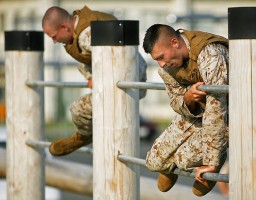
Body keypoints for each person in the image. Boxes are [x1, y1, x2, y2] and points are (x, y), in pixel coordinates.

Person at [42, 6, 147, 156]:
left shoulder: (86, 36)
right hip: (133, 76)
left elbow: (110, 59)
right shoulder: (81, 28)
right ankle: (92, 136)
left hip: (127, 80)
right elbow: (84, 57)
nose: (53, 41)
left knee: (78, 109)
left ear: (64, 27)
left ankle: (83, 137)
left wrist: (96, 77)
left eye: (54, 36)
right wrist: (90, 76)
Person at [142, 24, 229, 197]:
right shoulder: (167, 66)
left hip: (230, 114)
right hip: (198, 113)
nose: (161, 64)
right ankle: (168, 166)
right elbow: (175, 102)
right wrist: (188, 98)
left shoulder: (211, 54)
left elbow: (217, 108)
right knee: (153, 162)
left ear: (175, 42)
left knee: (184, 159)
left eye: (161, 57)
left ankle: (217, 159)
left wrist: (211, 160)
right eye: (157, 60)